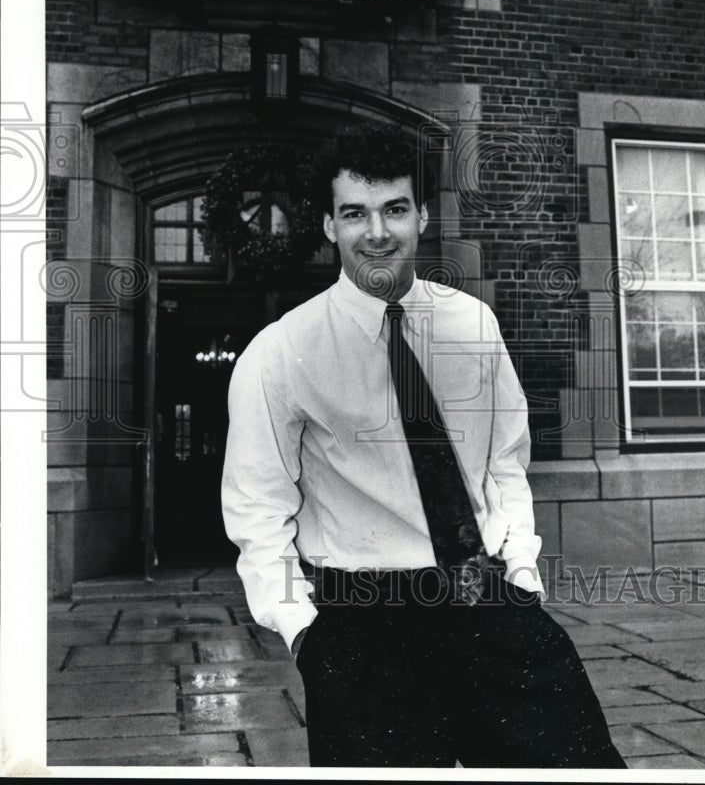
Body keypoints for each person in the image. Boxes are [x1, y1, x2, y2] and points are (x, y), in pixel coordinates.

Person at [221, 120, 625, 769]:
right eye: (354, 213)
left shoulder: (472, 324)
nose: (376, 232)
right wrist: (305, 635)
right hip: (362, 626)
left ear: (422, 217)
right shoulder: (280, 352)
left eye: (394, 210)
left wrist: (519, 570)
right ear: (329, 226)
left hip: (488, 602)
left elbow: (504, 464)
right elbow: (256, 509)